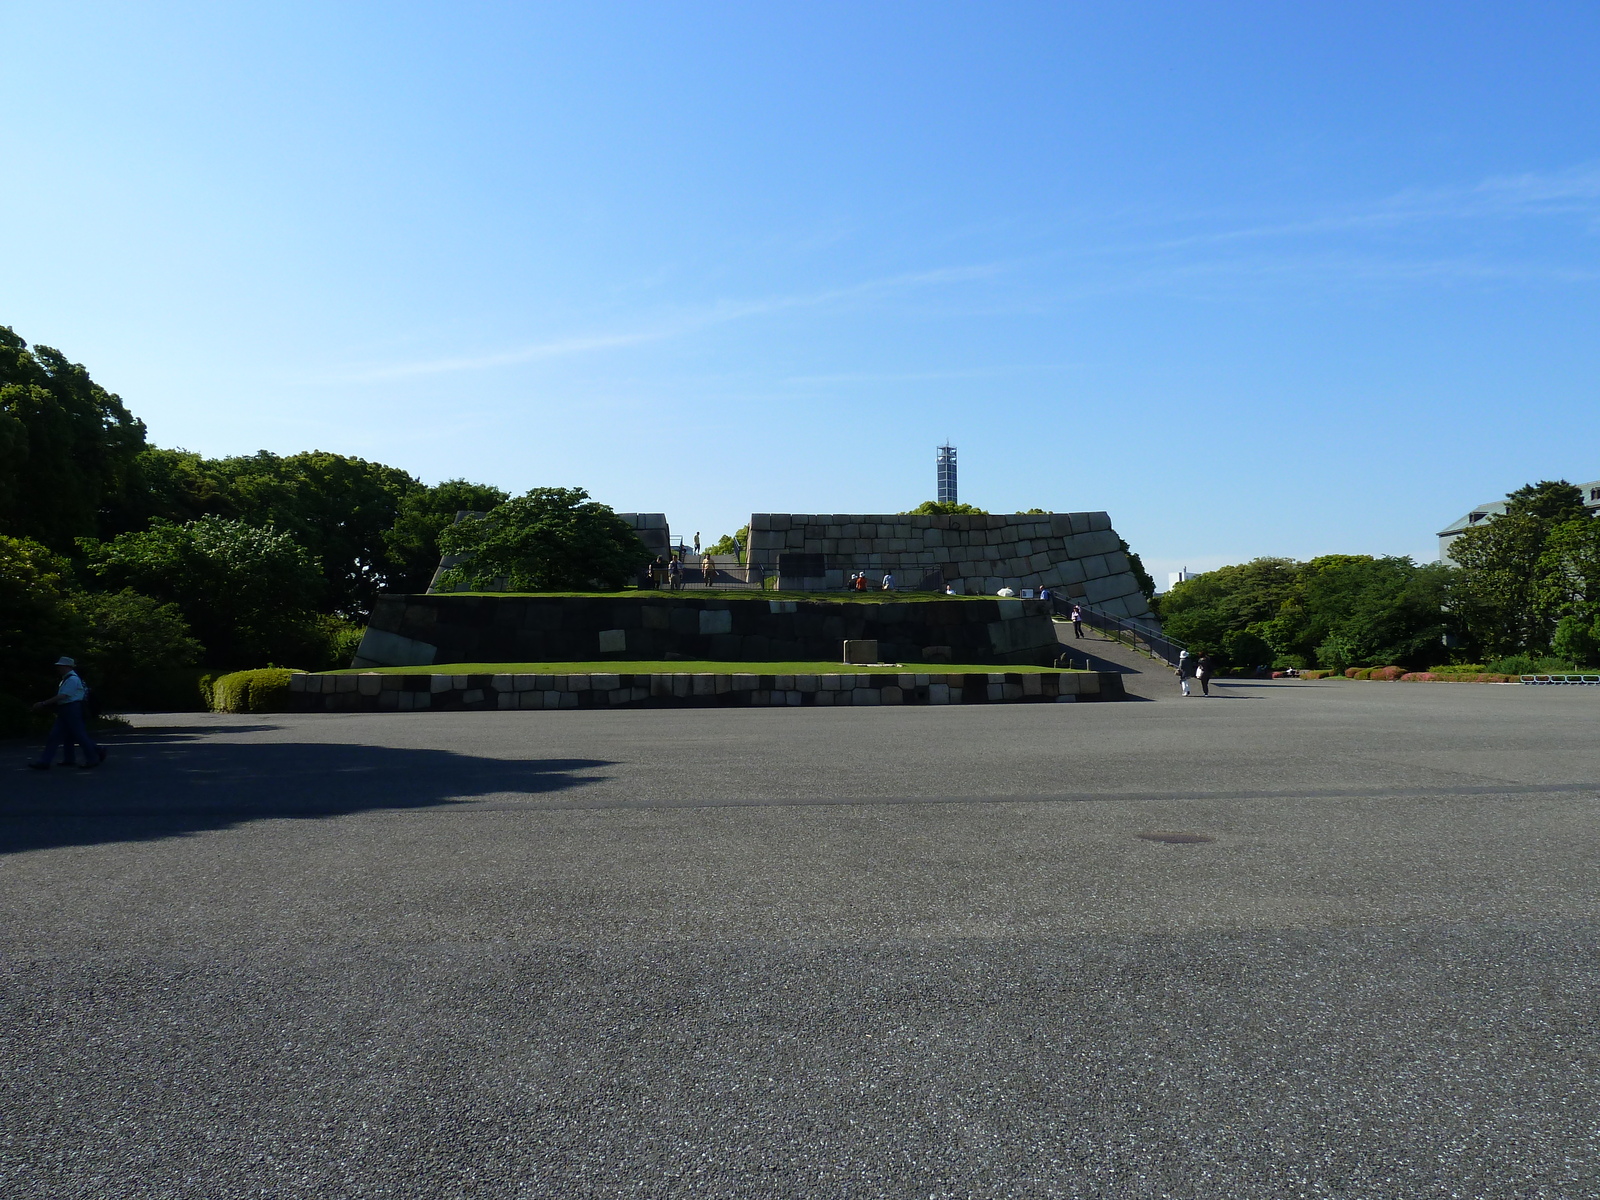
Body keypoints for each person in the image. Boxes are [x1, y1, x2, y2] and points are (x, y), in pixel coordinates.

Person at [28, 656, 104, 770]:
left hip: (72, 708)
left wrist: (43, 703)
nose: (58, 668)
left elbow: (63, 695)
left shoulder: (72, 679)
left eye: (60, 666)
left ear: (67, 667)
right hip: (66, 708)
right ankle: (47, 761)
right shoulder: (67, 678)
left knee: (79, 735)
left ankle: (92, 758)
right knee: (56, 735)